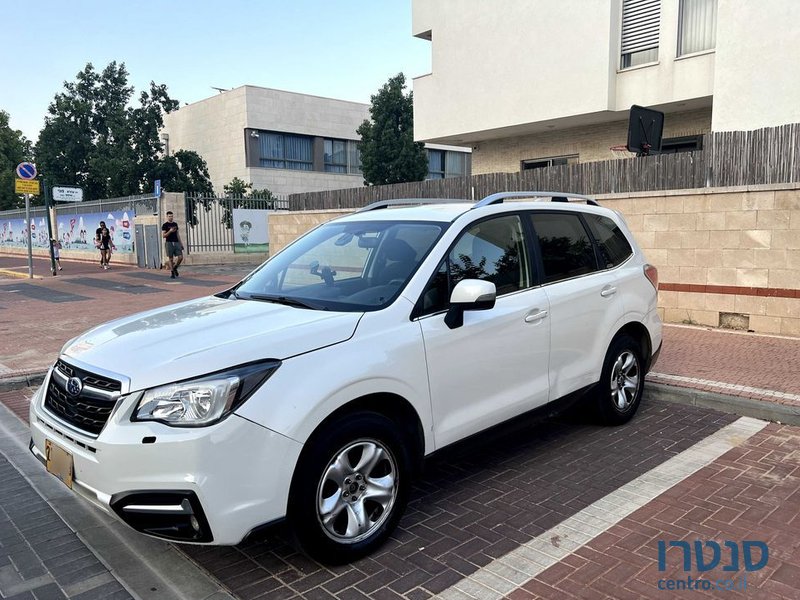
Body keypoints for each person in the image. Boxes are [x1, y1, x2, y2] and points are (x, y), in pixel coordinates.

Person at [161, 211, 184, 278]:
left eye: (172, 216)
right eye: (169, 216)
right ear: (167, 217)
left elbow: (177, 234)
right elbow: (164, 235)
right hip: (169, 242)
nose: (171, 217)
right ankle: (172, 272)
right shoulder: (165, 225)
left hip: (176, 242)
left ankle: (175, 267)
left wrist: (181, 243)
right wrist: (170, 231)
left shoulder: (175, 224)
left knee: (180, 257)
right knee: (171, 259)